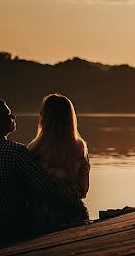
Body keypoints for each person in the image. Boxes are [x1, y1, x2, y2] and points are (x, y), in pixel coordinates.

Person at [0, 99, 88, 247]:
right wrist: (78, 206)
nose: (13, 117)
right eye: (8, 115)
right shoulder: (16, 152)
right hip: (13, 230)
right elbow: (45, 188)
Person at [27, 93, 91, 232]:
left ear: (44, 118)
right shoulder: (80, 147)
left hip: (40, 219)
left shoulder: (33, 149)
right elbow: (83, 190)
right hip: (72, 214)